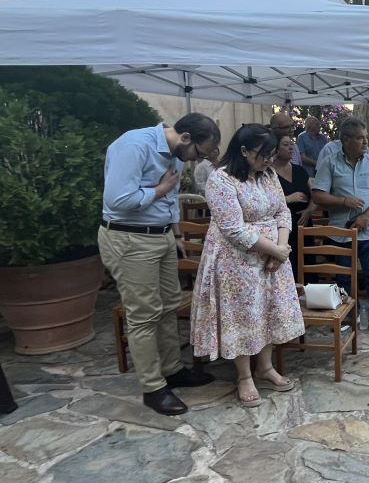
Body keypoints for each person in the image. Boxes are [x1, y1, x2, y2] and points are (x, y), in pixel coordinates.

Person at [99, 112, 221, 416]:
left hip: (163, 236)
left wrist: (176, 234)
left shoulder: (175, 153)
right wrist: (159, 190)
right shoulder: (134, 145)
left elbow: (172, 198)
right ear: (186, 138)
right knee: (144, 314)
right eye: (198, 153)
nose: (196, 160)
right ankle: (153, 387)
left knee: (169, 305)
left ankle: (172, 369)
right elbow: (117, 199)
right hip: (130, 238)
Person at [191, 124, 304, 407]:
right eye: (264, 154)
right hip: (236, 262)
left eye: (272, 154)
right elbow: (233, 229)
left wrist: (281, 247)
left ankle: (265, 367)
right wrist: (275, 250)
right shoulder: (221, 179)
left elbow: (282, 211)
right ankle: (244, 375)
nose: (269, 160)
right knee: (242, 315)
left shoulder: (268, 175)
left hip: (272, 258)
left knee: (269, 310)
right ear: (243, 151)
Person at [312, 117, 369, 336]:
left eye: (366, 137)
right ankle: (349, 314)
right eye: (360, 138)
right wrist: (343, 201)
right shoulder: (330, 163)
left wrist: (367, 216)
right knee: (343, 277)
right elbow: (318, 195)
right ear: (345, 140)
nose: (366, 142)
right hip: (341, 232)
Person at [271, 132, 313, 279]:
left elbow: (314, 196)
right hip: (282, 228)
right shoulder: (268, 173)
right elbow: (265, 201)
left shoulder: (300, 170)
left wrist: (308, 211)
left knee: (308, 266)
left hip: (304, 223)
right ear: (275, 149)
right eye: (285, 144)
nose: (291, 148)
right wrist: (288, 198)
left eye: (292, 144)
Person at [296, 114, 329, 179]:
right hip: (308, 173)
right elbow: (302, 157)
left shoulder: (323, 138)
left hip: (322, 173)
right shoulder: (301, 138)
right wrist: (317, 164)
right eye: (317, 124)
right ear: (310, 126)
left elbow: (327, 154)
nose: (320, 126)